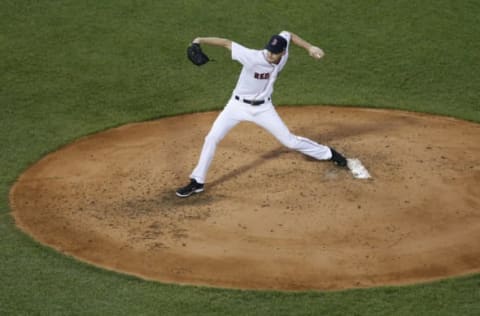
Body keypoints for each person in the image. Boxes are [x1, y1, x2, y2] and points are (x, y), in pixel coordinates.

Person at [176, 31, 347, 198]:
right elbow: (227, 43)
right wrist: (199, 40)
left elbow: (289, 34)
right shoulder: (252, 56)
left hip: (263, 109)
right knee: (211, 138)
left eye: (275, 53)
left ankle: (329, 153)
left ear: (283, 52)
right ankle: (197, 181)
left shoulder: (283, 52)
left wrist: (310, 47)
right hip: (236, 106)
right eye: (269, 51)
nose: (270, 55)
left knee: (290, 141)